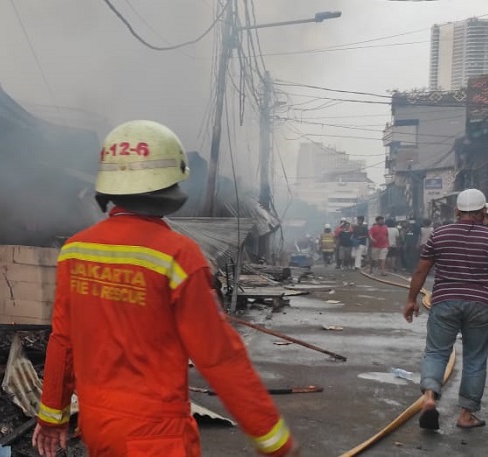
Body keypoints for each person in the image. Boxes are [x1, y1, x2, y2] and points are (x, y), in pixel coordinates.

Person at [33, 120, 299, 457]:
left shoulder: (75, 250)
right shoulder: (178, 256)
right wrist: (273, 439)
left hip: (98, 429)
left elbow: (63, 342)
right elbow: (218, 356)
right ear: (169, 184)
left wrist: (52, 417)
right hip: (156, 437)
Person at [404, 188, 488, 431]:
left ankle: (430, 397)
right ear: (483, 211)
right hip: (482, 304)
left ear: (457, 211)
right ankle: (466, 415)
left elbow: (421, 270)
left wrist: (411, 300)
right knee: (475, 358)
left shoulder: (439, 234)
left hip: (444, 301)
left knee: (436, 352)